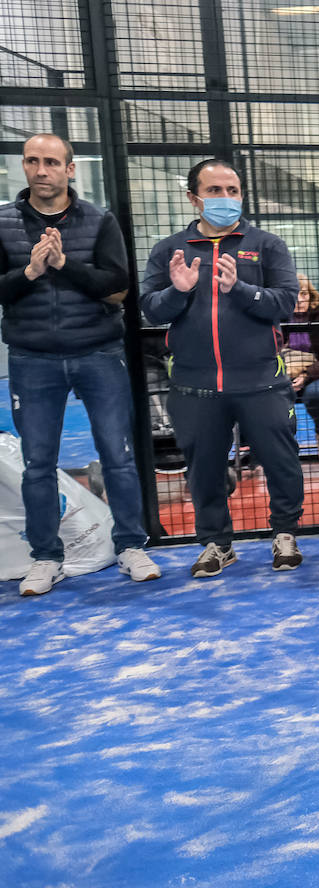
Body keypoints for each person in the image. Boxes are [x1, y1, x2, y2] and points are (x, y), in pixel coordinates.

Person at [0, 133, 160, 595]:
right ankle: (46, 558)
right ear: (23, 167)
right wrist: (29, 272)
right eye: (32, 161)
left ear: (70, 169)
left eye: (51, 161)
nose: (41, 170)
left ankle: (131, 546)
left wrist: (63, 264)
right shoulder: (4, 222)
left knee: (118, 456)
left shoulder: (99, 220)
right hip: (32, 359)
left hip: (99, 353)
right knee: (37, 464)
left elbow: (118, 287)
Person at [142, 158, 304, 576]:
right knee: (205, 469)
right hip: (195, 386)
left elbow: (285, 302)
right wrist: (178, 293)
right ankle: (216, 543)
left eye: (232, 190)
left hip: (261, 381)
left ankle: (284, 534)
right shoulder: (169, 251)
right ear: (193, 198)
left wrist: (242, 290)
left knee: (281, 461)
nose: (225, 199)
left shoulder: (267, 245)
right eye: (214, 191)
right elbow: (151, 310)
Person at [284, 273, 319, 463]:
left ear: (311, 295)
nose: (299, 300)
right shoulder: (277, 319)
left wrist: (306, 375)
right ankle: (284, 444)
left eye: (304, 294)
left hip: (315, 375)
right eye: (294, 295)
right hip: (283, 375)